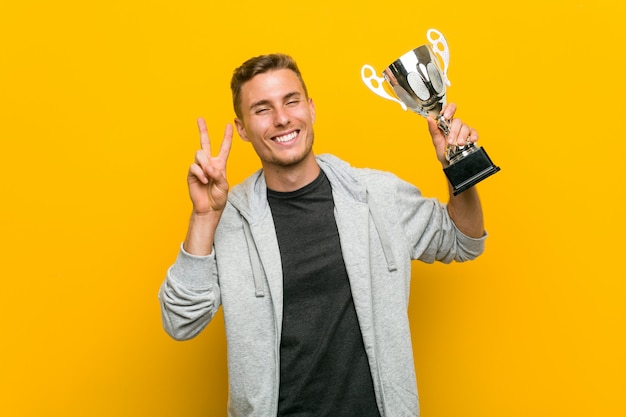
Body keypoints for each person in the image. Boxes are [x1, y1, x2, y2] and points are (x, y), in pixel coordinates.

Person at [159, 53, 487, 417]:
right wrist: (204, 217)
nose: (282, 118)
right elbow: (180, 321)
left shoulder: (377, 195)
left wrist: (457, 166)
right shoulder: (229, 219)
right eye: (262, 109)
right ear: (242, 128)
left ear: (311, 109)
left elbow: (464, 240)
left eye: (291, 101)